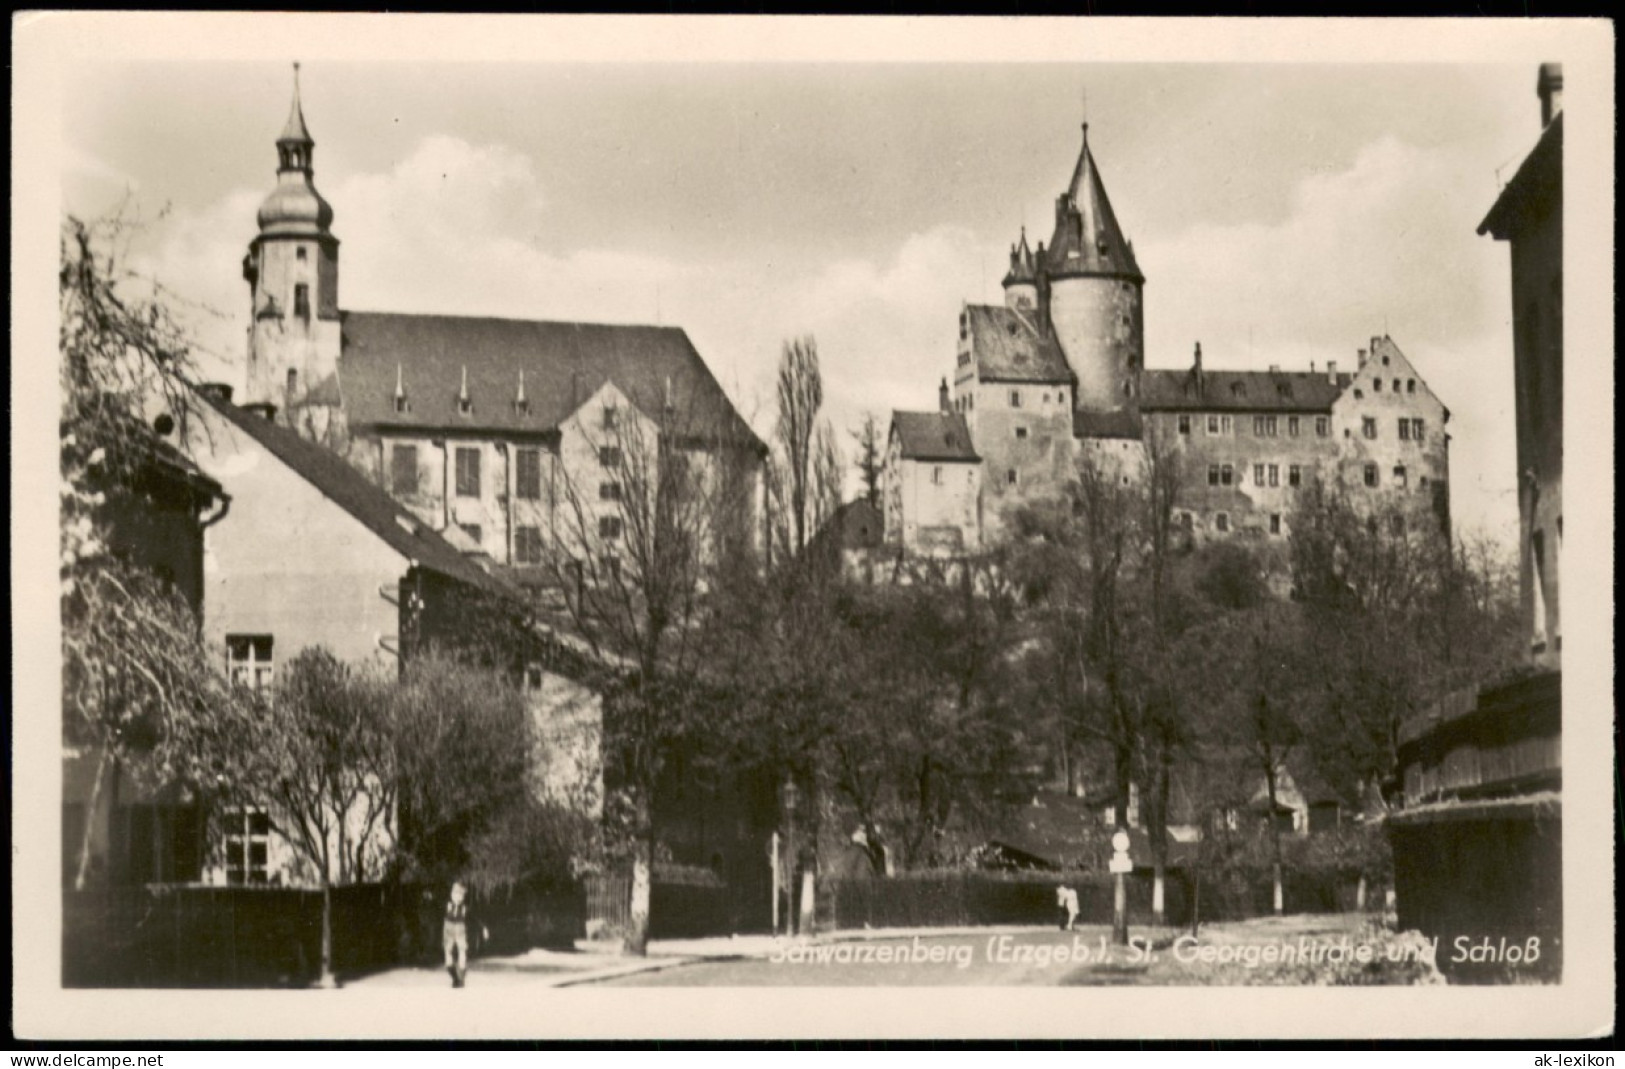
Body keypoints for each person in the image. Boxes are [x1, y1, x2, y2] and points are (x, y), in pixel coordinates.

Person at [442, 880, 486, 987]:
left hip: (460, 930)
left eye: (460, 894)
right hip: (448, 930)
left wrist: (483, 928)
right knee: (448, 954)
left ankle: (461, 978)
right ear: (451, 894)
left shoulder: (465, 908)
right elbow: (436, 915)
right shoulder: (446, 905)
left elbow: (475, 918)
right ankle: (455, 978)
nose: (457, 896)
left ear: (463, 896)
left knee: (462, 951)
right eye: (454, 893)